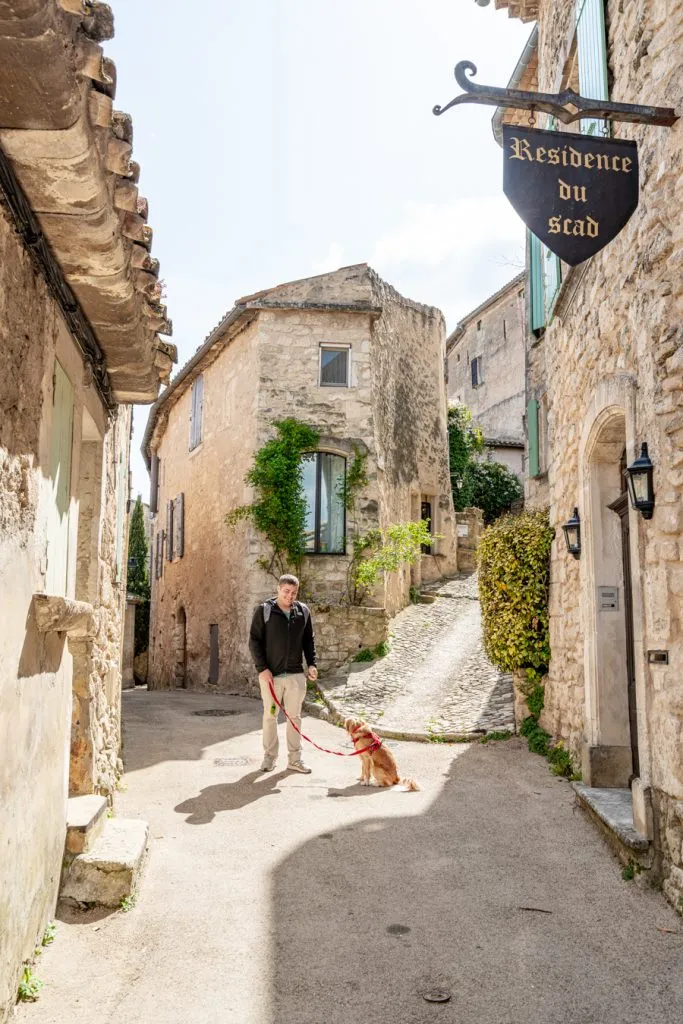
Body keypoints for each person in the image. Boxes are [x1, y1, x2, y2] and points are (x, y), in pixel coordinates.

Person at [249, 573, 318, 774]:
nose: (290, 596)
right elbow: (254, 640)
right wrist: (262, 669)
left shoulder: (303, 611)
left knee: (294, 717)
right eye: (286, 591)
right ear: (278, 589)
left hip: (296, 676)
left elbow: (309, 641)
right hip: (271, 676)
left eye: (294, 593)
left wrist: (312, 664)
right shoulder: (265, 610)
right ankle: (269, 758)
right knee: (270, 716)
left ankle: (295, 759)